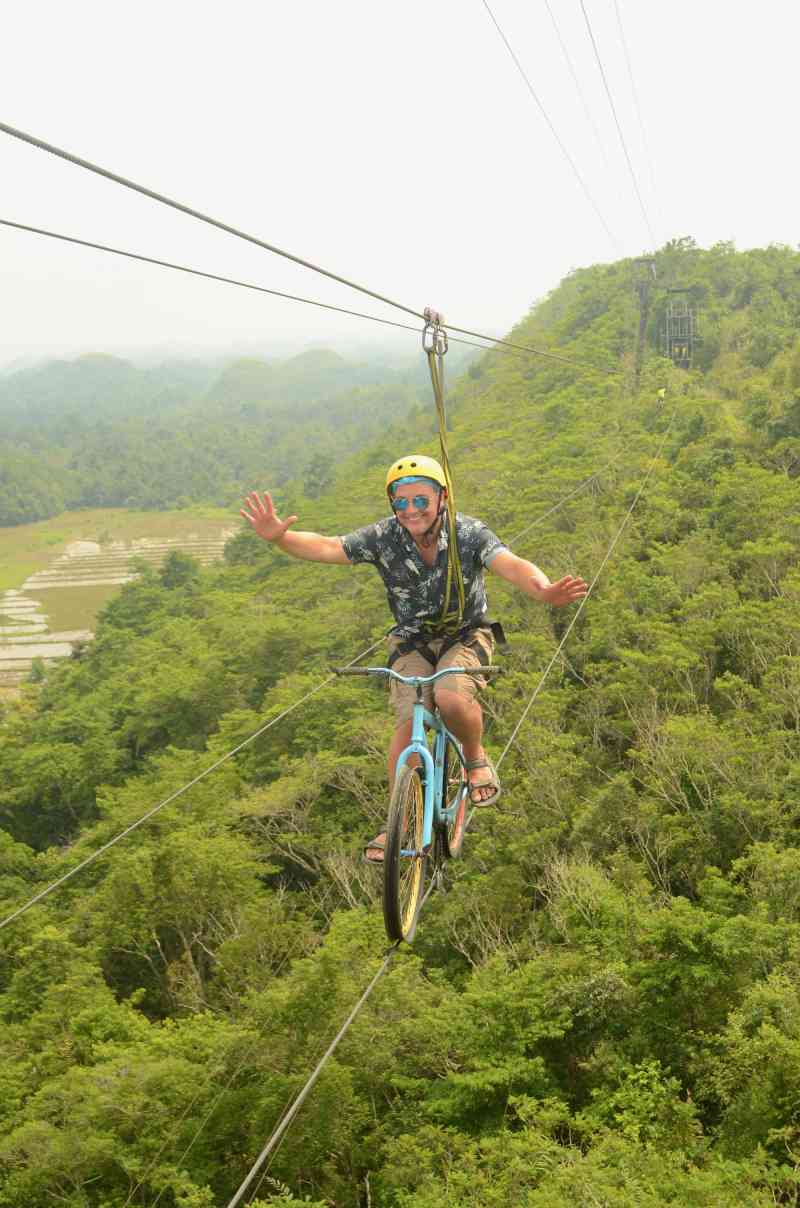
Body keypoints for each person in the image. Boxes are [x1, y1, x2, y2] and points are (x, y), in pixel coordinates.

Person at [241, 454, 588, 861]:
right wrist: (279, 539)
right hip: (411, 642)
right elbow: (329, 547)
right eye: (401, 503)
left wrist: (544, 590)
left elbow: (509, 564)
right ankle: (398, 825)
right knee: (409, 721)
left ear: (442, 498)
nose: (410, 511)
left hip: (465, 634)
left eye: (420, 500)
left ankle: (476, 760)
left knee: (451, 697)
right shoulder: (384, 537)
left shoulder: (468, 533)